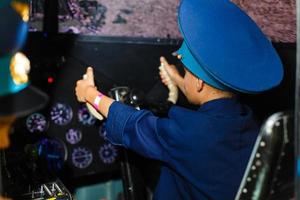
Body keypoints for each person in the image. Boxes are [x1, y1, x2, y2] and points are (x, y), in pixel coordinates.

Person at [75, 0, 283, 199]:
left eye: (186, 72)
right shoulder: (247, 122)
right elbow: (208, 94)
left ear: (200, 83)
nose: (184, 75)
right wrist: (178, 80)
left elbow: (136, 125)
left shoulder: (193, 133)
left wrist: (90, 94)